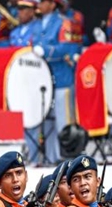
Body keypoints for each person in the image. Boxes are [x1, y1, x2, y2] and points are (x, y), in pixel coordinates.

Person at [30, 0, 80, 164]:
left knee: (63, 121)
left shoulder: (63, 22)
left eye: (43, 2)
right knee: (46, 120)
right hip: (42, 79)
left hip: (61, 78)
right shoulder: (36, 24)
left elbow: (66, 48)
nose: (39, 4)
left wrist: (45, 51)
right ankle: (50, 159)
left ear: (52, 4)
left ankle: (68, 159)